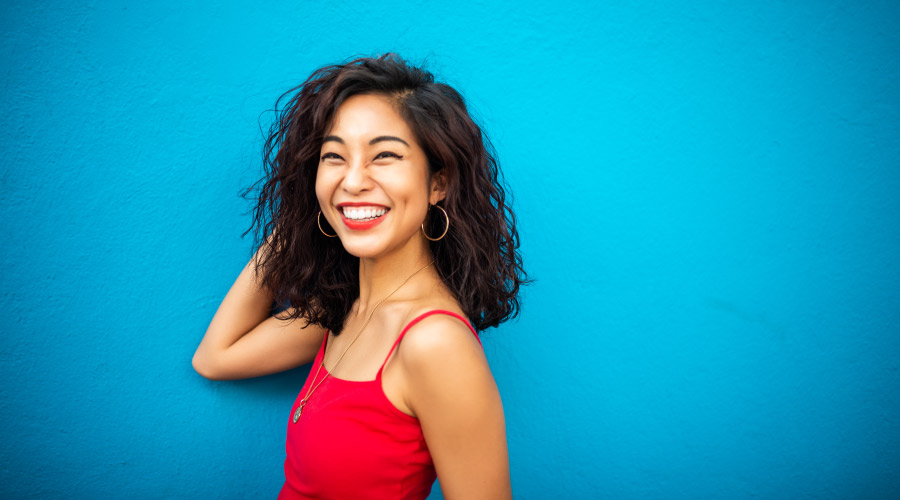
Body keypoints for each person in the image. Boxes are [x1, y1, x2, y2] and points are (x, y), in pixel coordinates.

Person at [192, 54, 527, 500]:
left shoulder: (433, 342)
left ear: (437, 183)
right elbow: (216, 358)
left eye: (384, 155)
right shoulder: (341, 312)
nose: (352, 180)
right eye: (334, 157)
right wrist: (300, 219)